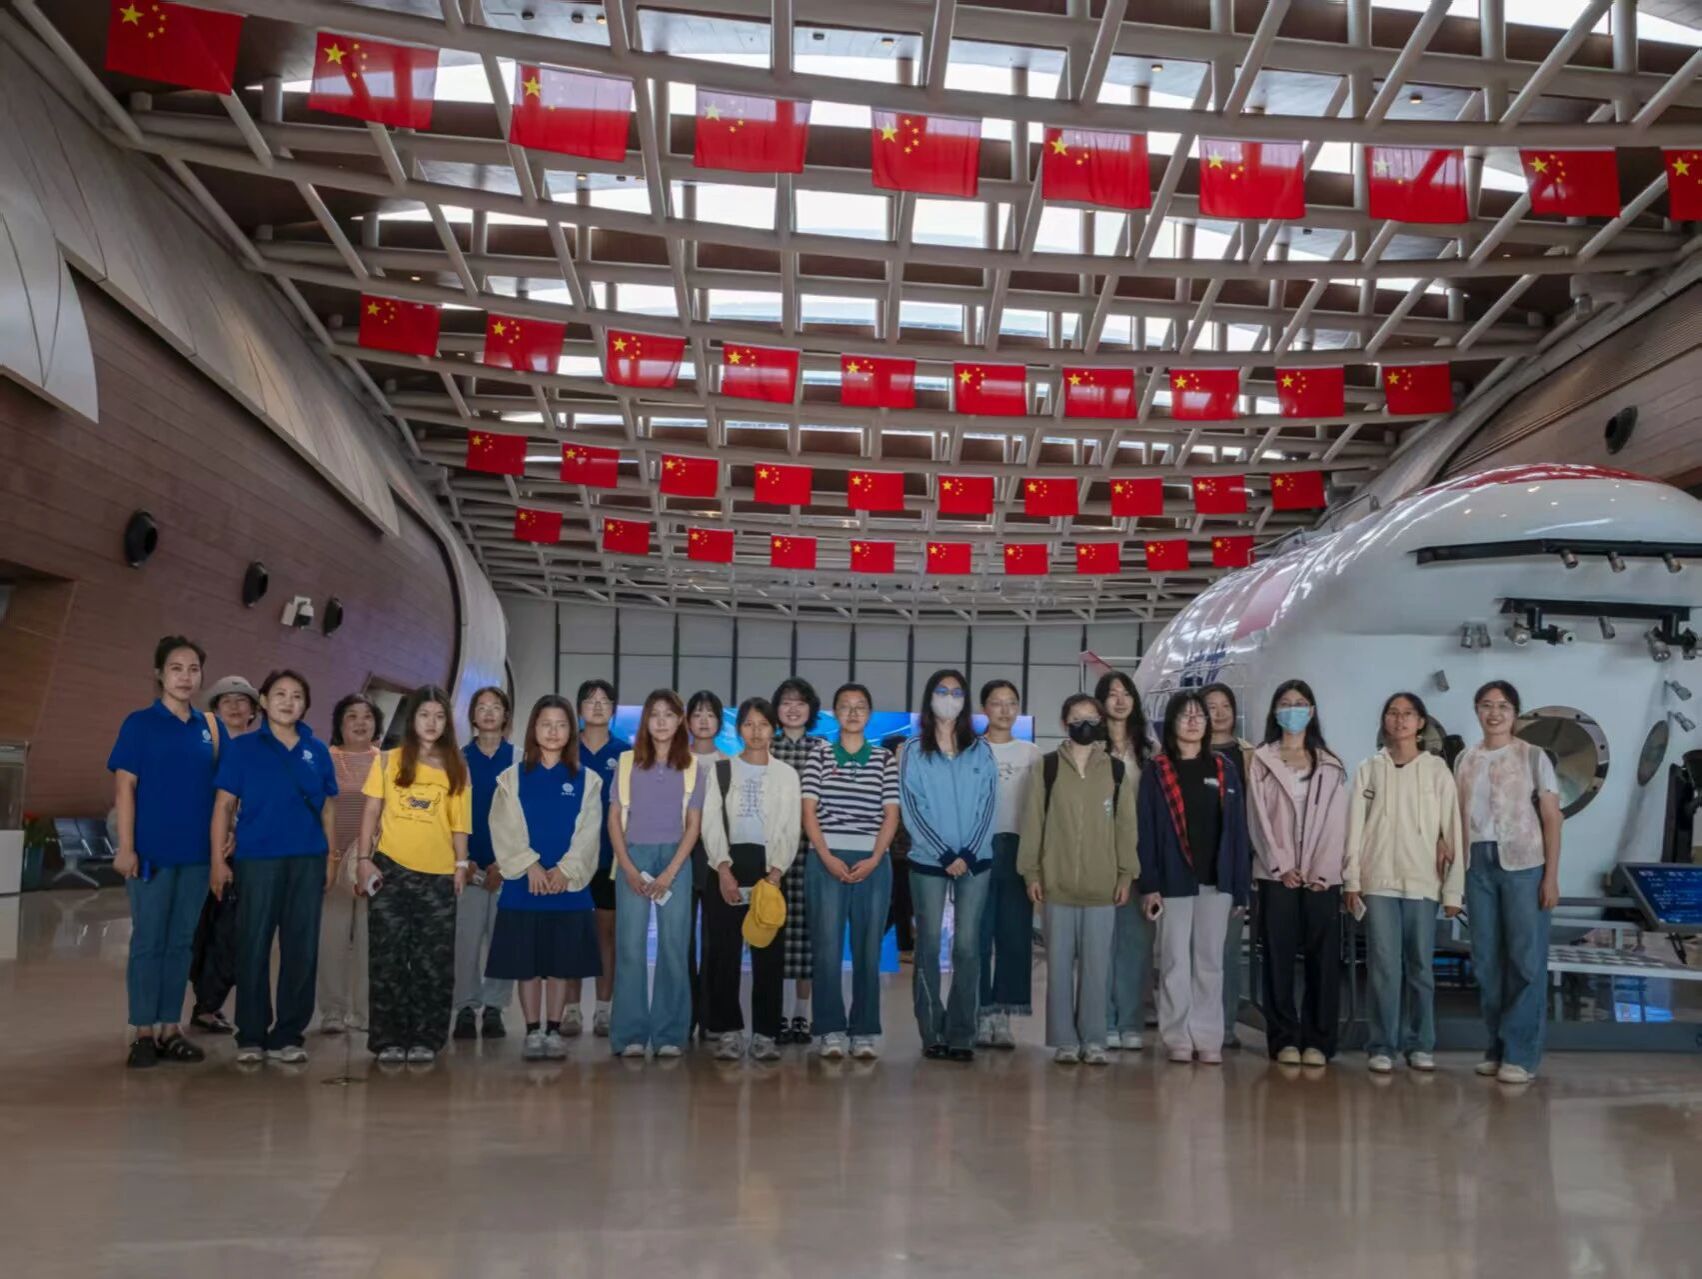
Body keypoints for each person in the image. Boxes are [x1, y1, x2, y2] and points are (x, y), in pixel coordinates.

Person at [107, 636, 227, 1068]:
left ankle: (170, 1028)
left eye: (193, 669)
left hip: (196, 856)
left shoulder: (210, 729)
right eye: (176, 668)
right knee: (148, 941)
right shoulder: (140, 724)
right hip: (150, 855)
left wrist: (224, 844)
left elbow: (227, 792)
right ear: (159, 674)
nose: (185, 677)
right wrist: (126, 847)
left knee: (180, 944)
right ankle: (143, 1030)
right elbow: (125, 787)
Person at [210, 670, 338, 1065]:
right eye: (279, 694)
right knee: (253, 944)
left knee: (301, 947)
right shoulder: (242, 748)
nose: (288, 701)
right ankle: (250, 1033)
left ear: (305, 704)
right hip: (257, 860)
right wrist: (217, 861)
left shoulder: (317, 750)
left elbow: (328, 809)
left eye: (297, 695)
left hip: (307, 859)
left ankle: (289, 1034)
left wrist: (331, 857)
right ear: (263, 701)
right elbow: (223, 806)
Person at [1343, 692, 1464, 1075]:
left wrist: (1453, 889)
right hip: (1378, 880)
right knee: (1383, 965)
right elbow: (1354, 828)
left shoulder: (1437, 771)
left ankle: (1420, 1043)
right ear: (1384, 721)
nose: (1400, 720)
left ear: (1421, 722)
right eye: (1393, 713)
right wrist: (1351, 879)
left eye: (1408, 713)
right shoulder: (1369, 768)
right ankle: (1382, 1044)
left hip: (1422, 881)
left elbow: (1453, 832)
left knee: (1420, 966)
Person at [1017, 694, 1139, 1065]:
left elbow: (1126, 827)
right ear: (1064, 722)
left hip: (1103, 886)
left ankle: (1094, 1039)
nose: (1084, 723)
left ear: (1100, 721)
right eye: (1076, 717)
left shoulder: (1115, 770)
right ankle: (1064, 1040)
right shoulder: (1047, 767)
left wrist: (1126, 873)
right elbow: (1033, 821)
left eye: (1091, 717)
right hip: (1056, 883)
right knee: (1057, 966)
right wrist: (1031, 871)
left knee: (1097, 967)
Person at [356, 686, 472, 1066]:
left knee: (432, 961)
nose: (432, 723)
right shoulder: (387, 761)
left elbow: (460, 824)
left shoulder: (456, 766)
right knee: (388, 958)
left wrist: (460, 866)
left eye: (439, 716)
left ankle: (427, 1037)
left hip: (438, 877)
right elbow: (371, 811)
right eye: (424, 715)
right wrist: (363, 859)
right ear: (412, 719)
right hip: (391, 870)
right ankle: (388, 1039)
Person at [1137, 690, 1253, 1065]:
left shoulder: (1225, 769)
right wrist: (1150, 885)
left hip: (1216, 882)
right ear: (1171, 724)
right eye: (1184, 715)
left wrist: (1239, 887)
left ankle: (1208, 1036)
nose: (1193, 721)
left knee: (1210, 961)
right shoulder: (1157, 771)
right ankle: (1177, 1037)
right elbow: (1146, 831)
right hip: (1173, 881)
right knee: (1174, 960)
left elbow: (1237, 831)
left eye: (1198, 715)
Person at [1456, 680, 1563, 1085]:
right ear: (1477, 710)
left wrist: (1550, 876)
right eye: (1486, 705)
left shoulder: (1533, 756)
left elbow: (1552, 818)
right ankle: (1496, 1047)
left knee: (1524, 960)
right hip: (1477, 864)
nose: (1494, 713)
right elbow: (1456, 815)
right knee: (1486, 961)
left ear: (1515, 713)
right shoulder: (1465, 758)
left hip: (1523, 863)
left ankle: (1522, 1054)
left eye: (1503, 706)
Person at [487, 695, 604, 1061]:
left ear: (571, 731)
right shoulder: (511, 778)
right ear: (533, 729)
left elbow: (589, 832)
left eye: (561, 725)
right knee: (528, 966)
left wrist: (566, 870)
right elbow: (503, 827)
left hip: (567, 888)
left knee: (559, 965)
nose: (553, 732)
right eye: (545, 724)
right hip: (525, 886)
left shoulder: (588, 780)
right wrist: (530, 865)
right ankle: (532, 1031)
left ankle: (553, 1030)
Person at [1245, 680, 1348, 1067]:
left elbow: (1337, 821)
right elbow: (1257, 818)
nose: (1293, 709)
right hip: (1277, 875)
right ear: (1275, 712)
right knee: (1278, 956)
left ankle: (1319, 1040)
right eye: (1286, 703)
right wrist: (1281, 865)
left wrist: (1323, 870)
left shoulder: (1330, 762)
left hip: (1321, 875)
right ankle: (1284, 1038)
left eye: (1301, 703)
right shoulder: (1262, 760)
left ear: (1312, 711)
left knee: (1324, 958)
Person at [901, 669, 998, 1062]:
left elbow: (989, 804)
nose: (949, 697)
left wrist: (969, 853)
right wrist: (943, 853)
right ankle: (931, 1032)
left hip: (976, 860)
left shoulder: (981, 750)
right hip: (929, 860)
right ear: (930, 697)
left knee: (968, 947)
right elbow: (912, 806)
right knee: (927, 945)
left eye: (957, 692)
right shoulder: (912, 750)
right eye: (942, 691)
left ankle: (962, 1033)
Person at [802, 683, 900, 1060]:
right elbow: (808, 811)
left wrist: (875, 858)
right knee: (826, 948)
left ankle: (864, 1031)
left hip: (872, 862)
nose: (853, 713)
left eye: (861, 706)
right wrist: (826, 855)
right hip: (825, 859)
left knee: (868, 950)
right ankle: (829, 1029)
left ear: (869, 714)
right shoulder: (820, 755)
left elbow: (891, 814)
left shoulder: (883, 759)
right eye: (845, 706)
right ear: (835, 713)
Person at [607, 689, 706, 1058]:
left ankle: (669, 1034)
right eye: (654, 714)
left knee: (674, 947)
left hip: (676, 860)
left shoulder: (693, 766)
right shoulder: (627, 762)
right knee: (629, 947)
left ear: (680, 720)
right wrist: (628, 867)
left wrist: (671, 872)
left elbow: (693, 826)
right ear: (645, 721)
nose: (661, 721)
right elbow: (614, 819)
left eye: (669, 714)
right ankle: (630, 1033)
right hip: (633, 856)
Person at [700, 697, 801, 1061]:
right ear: (738, 728)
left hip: (769, 866)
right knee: (724, 952)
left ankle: (765, 1033)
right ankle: (728, 1030)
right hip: (728, 863)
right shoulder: (721, 770)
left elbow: (791, 827)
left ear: (773, 729)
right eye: (748, 724)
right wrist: (722, 867)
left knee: (768, 954)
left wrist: (775, 872)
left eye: (763, 724)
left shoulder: (787, 775)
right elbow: (710, 821)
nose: (756, 732)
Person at [187, 674, 259, 1034]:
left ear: (253, 712)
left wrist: (237, 834)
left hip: (240, 854)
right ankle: (200, 1002)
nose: (233, 706)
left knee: (229, 931)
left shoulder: (259, 751)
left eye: (241, 700)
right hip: (198, 850)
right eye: (225, 701)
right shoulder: (202, 749)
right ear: (214, 711)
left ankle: (208, 1004)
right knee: (198, 929)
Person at [976, 680, 1041, 1049]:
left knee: (1014, 936)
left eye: (1011, 703)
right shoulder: (972, 750)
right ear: (984, 708)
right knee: (978, 935)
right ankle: (980, 1011)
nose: (1004, 710)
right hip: (979, 849)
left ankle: (1003, 1015)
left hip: (1019, 849)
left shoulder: (1031, 754)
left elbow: (1040, 809)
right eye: (996, 702)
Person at [453, 687, 516, 1042]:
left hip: (507, 868)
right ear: (473, 716)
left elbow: (525, 818)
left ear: (506, 715)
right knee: (465, 941)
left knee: (502, 941)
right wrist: (462, 861)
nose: (489, 712)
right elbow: (448, 815)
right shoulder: (457, 759)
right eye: (482, 707)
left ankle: (494, 1007)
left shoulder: (520, 759)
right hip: (467, 867)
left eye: (496, 707)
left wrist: (505, 864)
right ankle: (464, 1006)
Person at [1097, 670, 1154, 1051]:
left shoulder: (1149, 751)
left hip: (1139, 856)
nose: (1120, 700)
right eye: (1112, 694)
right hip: (1099, 855)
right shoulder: (1091, 748)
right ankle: (1103, 1020)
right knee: (1100, 943)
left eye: (1126, 693)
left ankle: (1131, 1020)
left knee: (1135, 944)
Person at [570, 679, 628, 1037]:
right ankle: (570, 1009)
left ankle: (604, 1010)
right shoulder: (565, 748)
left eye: (605, 701)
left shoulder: (626, 753)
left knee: (607, 933)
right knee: (573, 932)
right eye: (590, 700)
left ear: (614, 710)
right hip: (571, 860)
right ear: (579, 708)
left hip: (611, 858)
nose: (597, 706)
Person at [320, 693, 381, 1034]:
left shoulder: (386, 761)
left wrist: (369, 857)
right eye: (351, 716)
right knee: (331, 939)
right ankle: (332, 1011)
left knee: (370, 942)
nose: (360, 723)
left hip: (372, 864)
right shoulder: (325, 758)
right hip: (332, 860)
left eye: (367, 716)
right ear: (339, 724)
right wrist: (329, 856)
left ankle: (364, 1013)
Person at [770, 677, 826, 1044]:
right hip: (771, 855)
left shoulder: (822, 749)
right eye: (786, 702)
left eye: (800, 702)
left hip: (810, 852)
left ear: (811, 710)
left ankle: (802, 1015)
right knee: (773, 930)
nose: (793, 709)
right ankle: (775, 1012)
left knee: (808, 934)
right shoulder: (767, 747)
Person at [1202, 682, 1255, 1052]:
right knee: (1194, 950)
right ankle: (1194, 1022)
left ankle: (1224, 1025)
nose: (1219, 713)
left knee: (1227, 950)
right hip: (1193, 864)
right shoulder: (1187, 752)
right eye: (1211, 706)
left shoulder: (1250, 756)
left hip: (1233, 864)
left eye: (1225, 706)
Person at [685, 689, 730, 1041]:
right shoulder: (675, 761)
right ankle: (685, 1013)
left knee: (715, 940)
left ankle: (712, 1014)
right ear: (687, 720)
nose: (703, 720)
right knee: (681, 939)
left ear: (719, 722)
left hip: (716, 858)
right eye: (697, 713)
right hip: (680, 857)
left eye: (710, 714)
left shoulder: (729, 763)